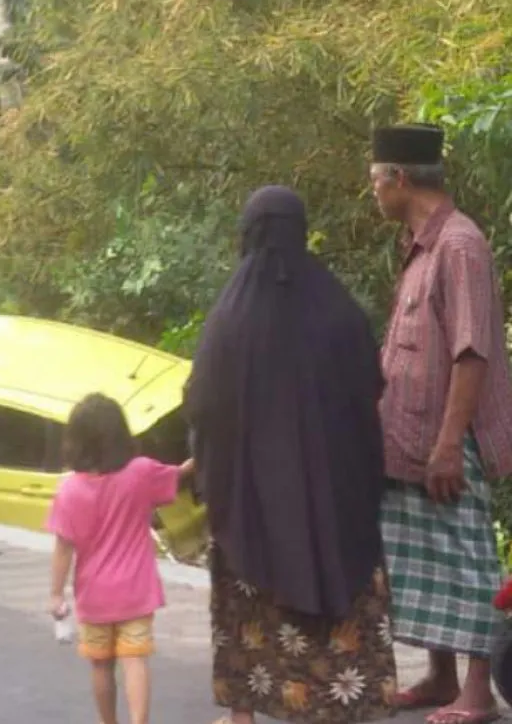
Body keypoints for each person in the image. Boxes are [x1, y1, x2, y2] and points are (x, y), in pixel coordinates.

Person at [185, 186, 395, 724]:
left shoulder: (231, 320)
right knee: (341, 597)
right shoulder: (340, 311)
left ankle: (244, 714)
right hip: (335, 501)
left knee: (248, 605)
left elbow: (203, 403)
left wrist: (210, 467)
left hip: (252, 504)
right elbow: (371, 390)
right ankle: (341, 707)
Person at [369, 125, 512, 724]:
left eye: (376, 180)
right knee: (424, 559)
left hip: (453, 443)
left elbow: (472, 352)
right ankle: (440, 675)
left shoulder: (459, 245)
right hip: (410, 440)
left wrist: (450, 445)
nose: (373, 192)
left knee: (467, 559)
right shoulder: (420, 247)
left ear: (400, 179)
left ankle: (477, 694)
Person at [46, 393, 193, 724]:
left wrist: (55, 593)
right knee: (135, 660)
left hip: (94, 595)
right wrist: (208, 451)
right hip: (136, 591)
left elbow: (63, 548)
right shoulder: (141, 473)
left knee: (101, 665)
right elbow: (180, 474)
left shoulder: (69, 490)